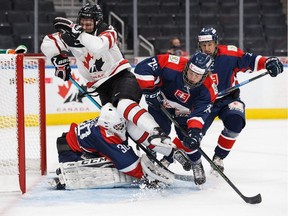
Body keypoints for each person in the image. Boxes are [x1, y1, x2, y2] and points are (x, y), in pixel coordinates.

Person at [40, 3, 191, 168]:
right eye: (82, 21)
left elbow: (98, 46)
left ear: (98, 21)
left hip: (122, 78)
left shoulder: (108, 31)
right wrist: (58, 59)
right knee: (120, 127)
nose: (85, 25)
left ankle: (158, 133)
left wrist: (77, 32)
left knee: (124, 104)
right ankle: (171, 152)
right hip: (101, 87)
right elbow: (46, 44)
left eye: (89, 22)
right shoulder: (73, 36)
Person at [196, 27, 284, 173]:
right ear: (199, 45)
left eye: (210, 44)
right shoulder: (195, 62)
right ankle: (168, 160)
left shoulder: (230, 54)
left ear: (216, 43)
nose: (207, 48)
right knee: (192, 132)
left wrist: (268, 61)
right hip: (205, 102)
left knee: (236, 121)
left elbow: (250, 60)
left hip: (229, 99)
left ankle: (218, 157)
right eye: (203, 45)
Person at [134, 52, 218, 185]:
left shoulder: (209, 90)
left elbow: (199, 114)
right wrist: (150, 91)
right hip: (161, 102)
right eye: (191, 72)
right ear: (187, 66)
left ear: (205, 75)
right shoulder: (171, 63)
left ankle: (196, 162)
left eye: (197, 75)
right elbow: (141, 68)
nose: (192, 77)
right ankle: (151, 159)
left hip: (184, 110)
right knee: (157, 133)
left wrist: (195, 132)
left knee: (187, 139)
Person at [53, 103, 176, 190]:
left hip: (72, 144)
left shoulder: (105, 125)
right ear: (108, 124)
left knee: (114, 158)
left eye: (122, 124)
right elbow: (129, 165)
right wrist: (148, 176)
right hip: (70, 154)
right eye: (118, 126)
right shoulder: (105, 135)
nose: (121, 128)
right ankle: (67, 175)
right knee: (112, 165)